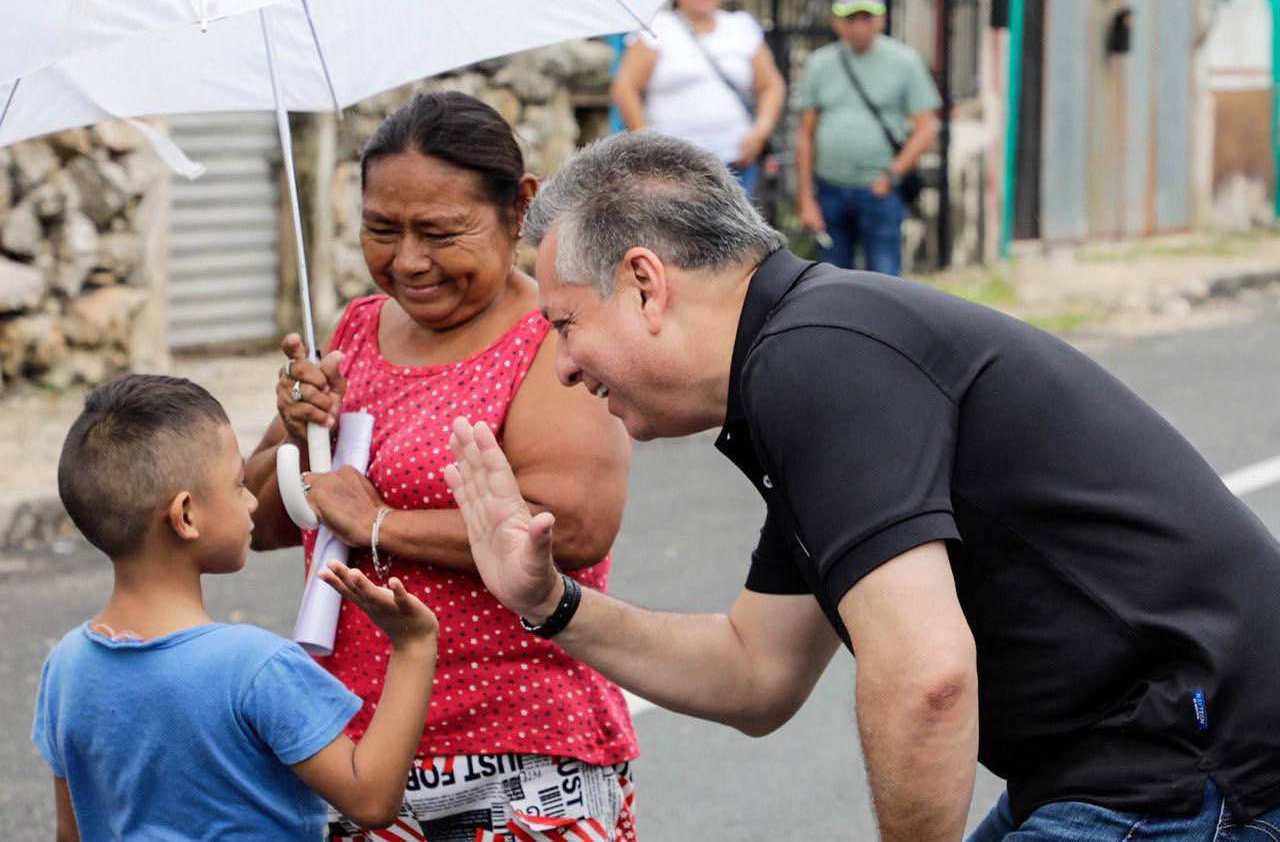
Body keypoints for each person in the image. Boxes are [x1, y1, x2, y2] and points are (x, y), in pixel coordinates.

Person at [442, 132, 1280, 842]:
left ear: (645, 283)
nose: (563, 364)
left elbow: (927, 679)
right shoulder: (810, 350)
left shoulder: (817, 360)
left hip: (1193, 765)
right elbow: (756, 671)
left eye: (565, 324)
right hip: (1137, 755)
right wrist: (550, 602)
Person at [244, 91, 639, 840]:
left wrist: (381, 523)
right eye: (381, 229)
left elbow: (574, 526)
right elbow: (253, 522)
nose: (408, 260)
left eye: (440, 232)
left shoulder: (554, 336)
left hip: (522, 754)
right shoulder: (355, 331)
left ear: (519, 206)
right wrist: (297, 434)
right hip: (362, 759)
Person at [32, 374, 439, 840]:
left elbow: (71, 834)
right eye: (239, 483)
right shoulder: (257, 669)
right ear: (186, 515)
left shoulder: (65, 666)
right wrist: (413, 645)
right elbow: (371, 799)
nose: (252, 501)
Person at [795, 0, 940, 275]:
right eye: (851, 19)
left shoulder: (905, 62)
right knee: (831, 279)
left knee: (883, 276)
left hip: (879, 191)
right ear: (836, 22)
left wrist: (892, 176)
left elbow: (927, 128)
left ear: (881, 20)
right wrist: (806, 199)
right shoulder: (819, 64)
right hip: (830, 188)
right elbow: (805, 135)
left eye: (866, 18)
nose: (859, 27)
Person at [610, 0, 785, 197]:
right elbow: (625, 87)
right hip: (673, 169)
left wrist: (760, 131)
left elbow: (771, 85)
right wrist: (645, 138)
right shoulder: (657, 29)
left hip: (735, 161)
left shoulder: (741, 27)